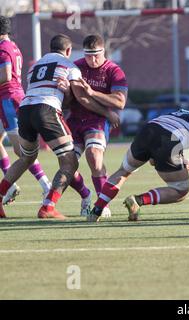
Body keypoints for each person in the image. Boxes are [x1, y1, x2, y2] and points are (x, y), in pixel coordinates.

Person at [0, 34, 119, 219]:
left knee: (26, 158)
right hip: (46, 110)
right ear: (69, 51)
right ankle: (48, 207)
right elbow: (81, 99)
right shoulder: (70, 66)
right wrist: (107, 113)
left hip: (24, 109)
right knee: (70, 161)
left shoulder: (35, 67)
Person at [87, 109, 189, 222]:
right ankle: (138, 200)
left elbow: (157, 153)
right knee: (180, 190)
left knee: (123, 172)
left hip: (148, 130)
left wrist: (181, 160)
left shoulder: (187, 114)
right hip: (167, 140)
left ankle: (96, 210)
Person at [65, 34, 128, 217]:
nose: (92, 60)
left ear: (104, 52)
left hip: (97, 121)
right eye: (88, 55)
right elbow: (80, 98)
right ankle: (85, 195)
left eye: (96, 55)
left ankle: (102, 203)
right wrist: (107, 112)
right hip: (75, 120)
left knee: (94, 155)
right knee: (67, 165)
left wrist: (93, 92)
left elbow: (120, 102)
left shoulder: (114, 71)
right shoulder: (76, 66)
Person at [0, 15, 52, 208]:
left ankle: (46, 185)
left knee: (22, 151)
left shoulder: (3, 49)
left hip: (9, 100)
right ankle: (10, 184)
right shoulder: (13, 46)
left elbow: (5, 75)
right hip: (11, 99)